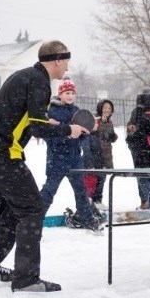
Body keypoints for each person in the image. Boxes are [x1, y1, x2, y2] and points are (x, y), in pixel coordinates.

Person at [0, 40, 87, 294]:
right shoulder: (40, 82)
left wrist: (50, 122)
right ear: (57, 60)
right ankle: (26, 280)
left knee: (14, 212)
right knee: (32, 209)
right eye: (66, 62)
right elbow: (37, 128)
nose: (67, 67)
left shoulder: (24, 76)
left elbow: (25, 117)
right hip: (2, 153)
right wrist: (68, 130)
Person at [38, 77, 103, 229]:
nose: (70, 96)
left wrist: (89, 129)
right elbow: (49, 136)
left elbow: (81, 136)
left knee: (81, 191)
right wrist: (67, 135)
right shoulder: (52, 111)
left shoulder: (76, 111)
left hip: (75, 159)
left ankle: (88, 220)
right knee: (49, 191)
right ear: (60, 94)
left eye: (73, 93)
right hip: (57, 160)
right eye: (67, 92)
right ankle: (34, 221)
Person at [126, 89, 150, 209]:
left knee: (143, 177)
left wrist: (131, 139)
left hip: (141, 151)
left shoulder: (138, 111)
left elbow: (134, 132)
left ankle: (147, 202)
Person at [90, 99, 118, 207]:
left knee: (102, 179)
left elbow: (110, 137)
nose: (107, 110)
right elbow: (89, 135)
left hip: (107, 154)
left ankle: (98, 201)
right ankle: (92, 201)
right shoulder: (95, 119)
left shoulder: (109, 122)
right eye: (105, 108)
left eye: (109, 108)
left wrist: (113, 136)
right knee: (95, 179)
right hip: (96, 153)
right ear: (100, 108)